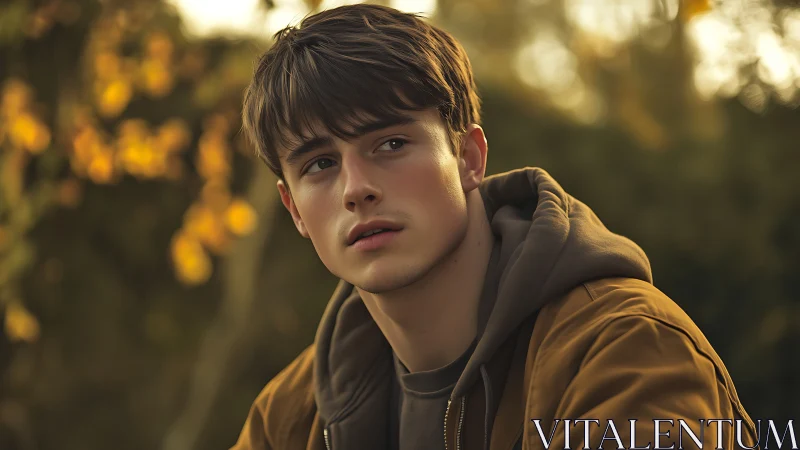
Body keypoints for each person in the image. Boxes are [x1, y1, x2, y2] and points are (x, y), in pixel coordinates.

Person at [231, 4, 758, 450]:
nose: (356, 188)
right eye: (320, 165)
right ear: (294, 209)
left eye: (390, 144)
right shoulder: (290, 416)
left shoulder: (627, 348)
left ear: (468, 158)